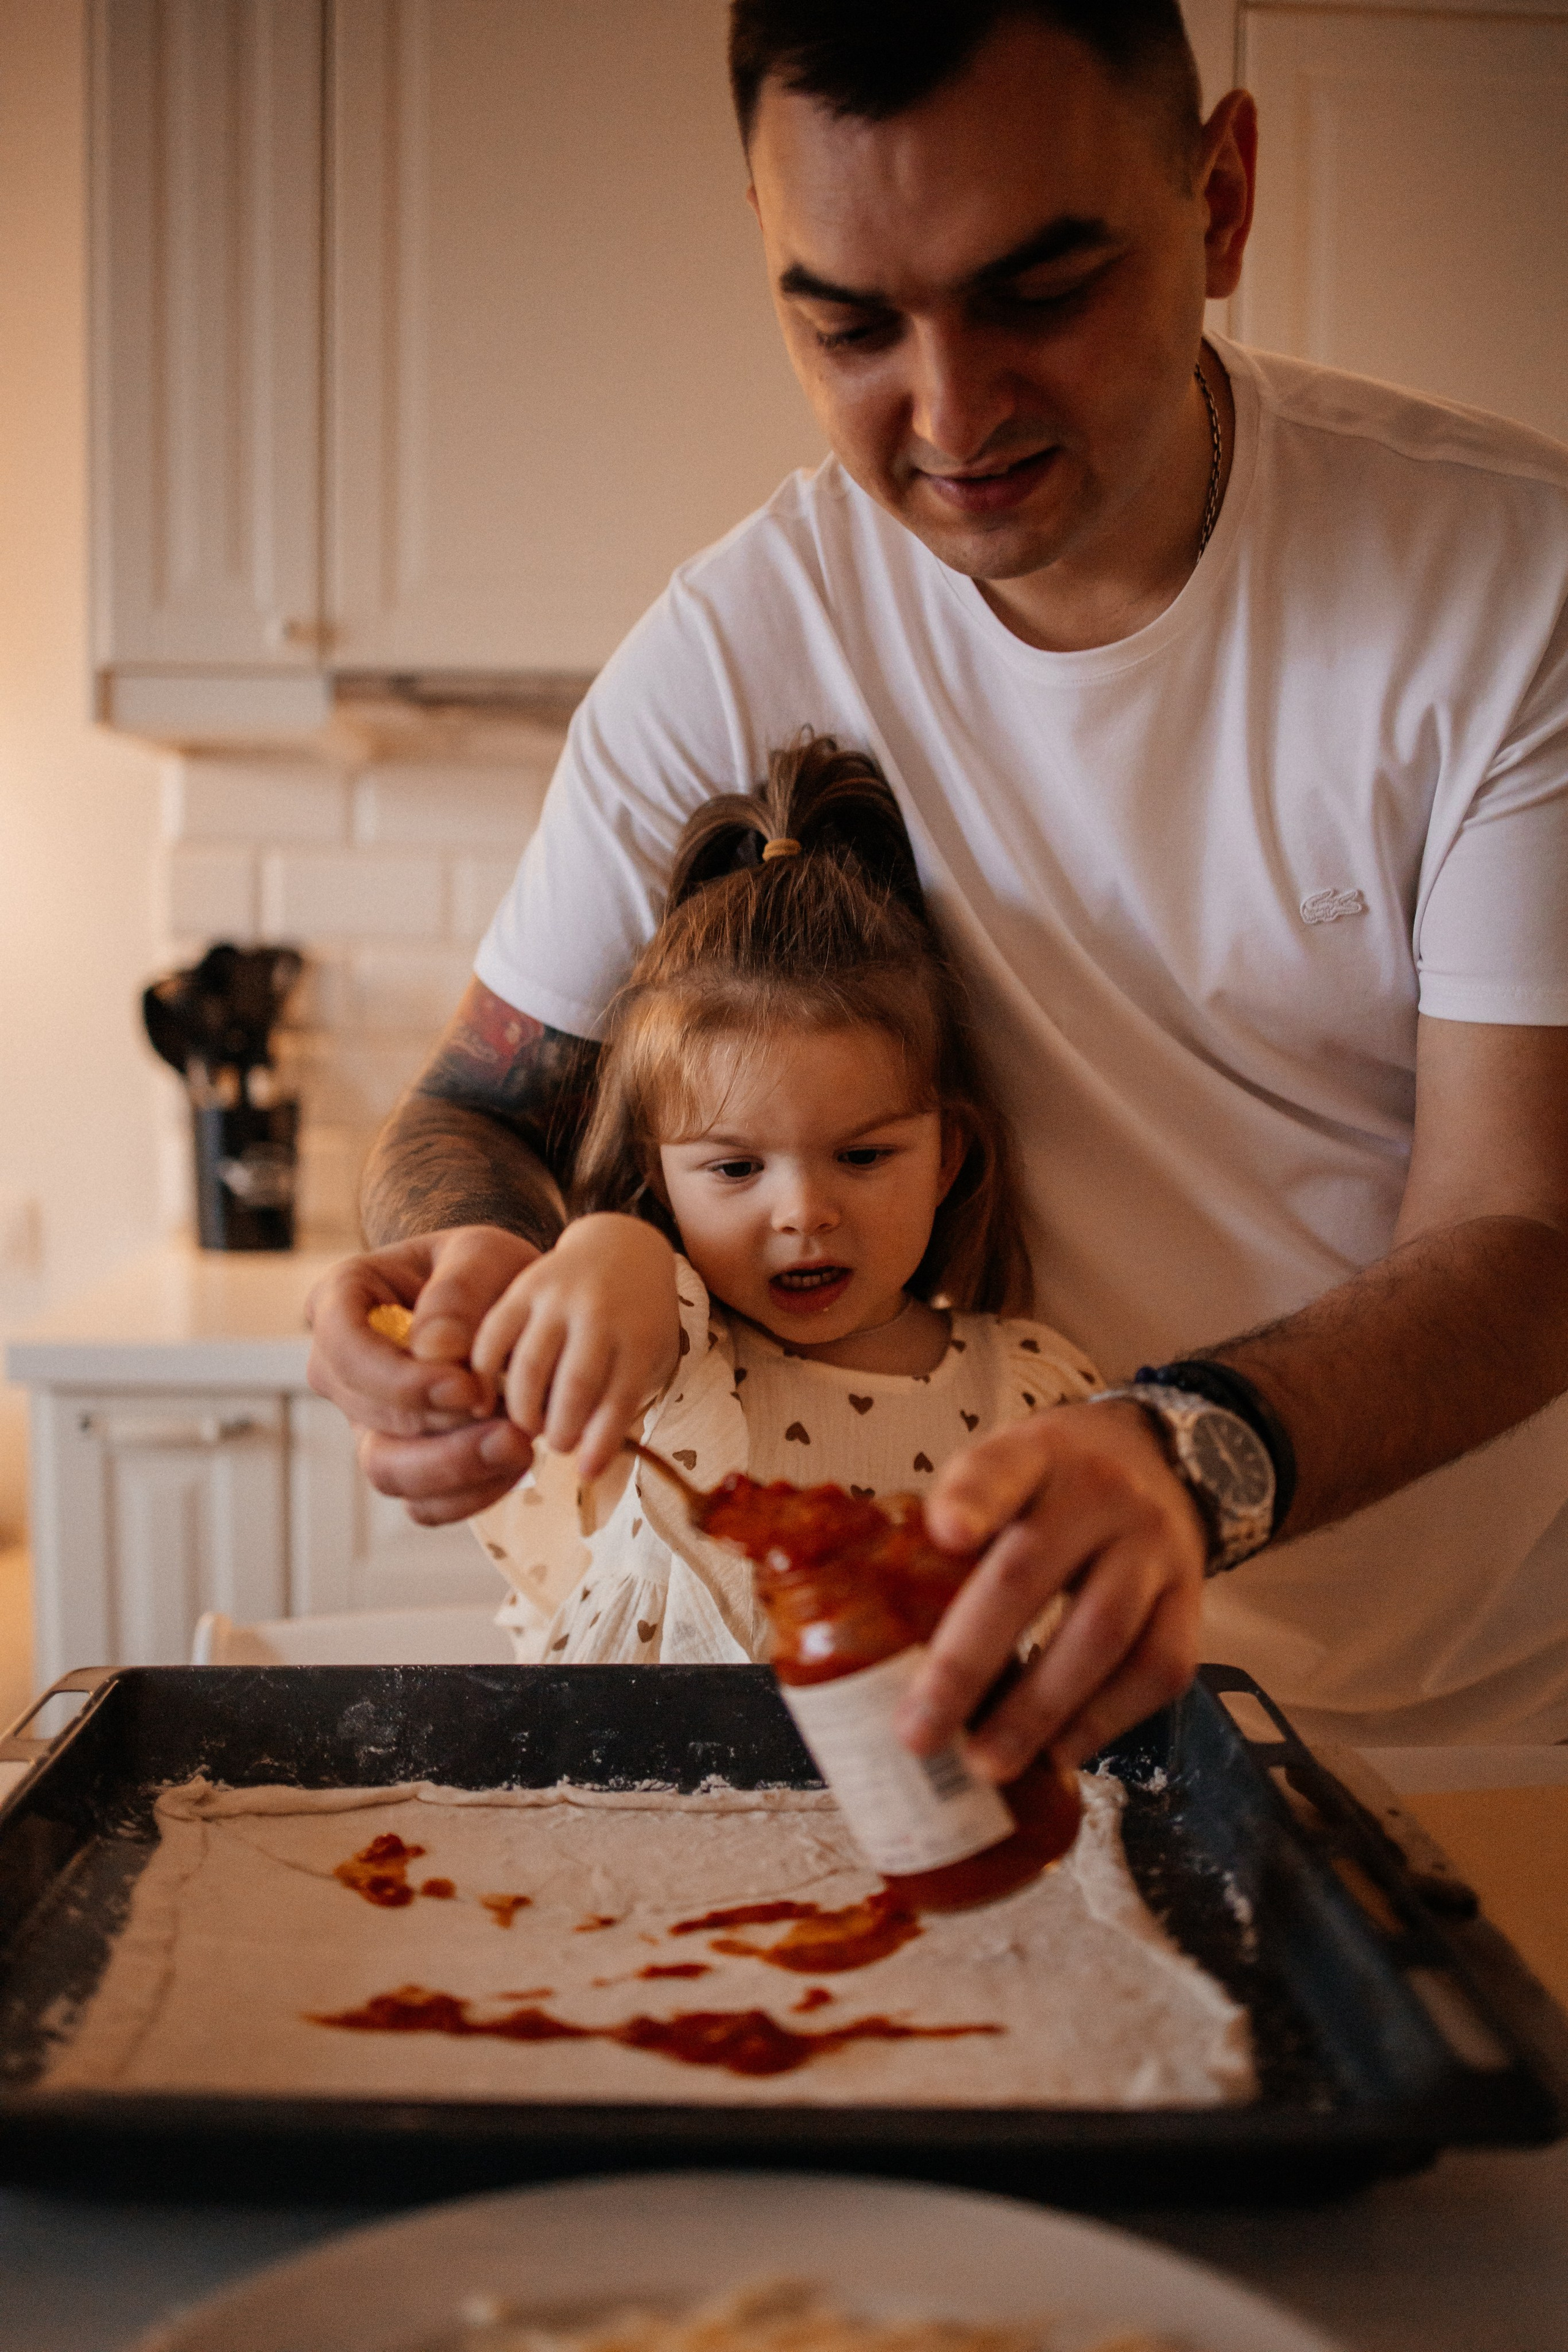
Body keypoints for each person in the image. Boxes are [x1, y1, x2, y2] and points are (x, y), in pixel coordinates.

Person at [307, 0, 1568, 1770]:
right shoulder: (736, 644)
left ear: (1221, 199)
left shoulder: (1509, 583)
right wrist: (481, 1286)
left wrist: (1176, 1455)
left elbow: (1523, 1233)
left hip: (1475, 1719)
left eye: (1039, 293)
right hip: (961, 1719)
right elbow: (473, 1105)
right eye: (849, 326)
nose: (951, 412)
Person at [466, 734, 1101, 1664]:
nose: (803, 1211)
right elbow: (620, 1281)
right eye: (733, 1170)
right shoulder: (667, 1358)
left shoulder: (1036, 1390)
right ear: (660, 1177)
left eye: (862, 1153)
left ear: (948, 1155)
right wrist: (608, 1247)